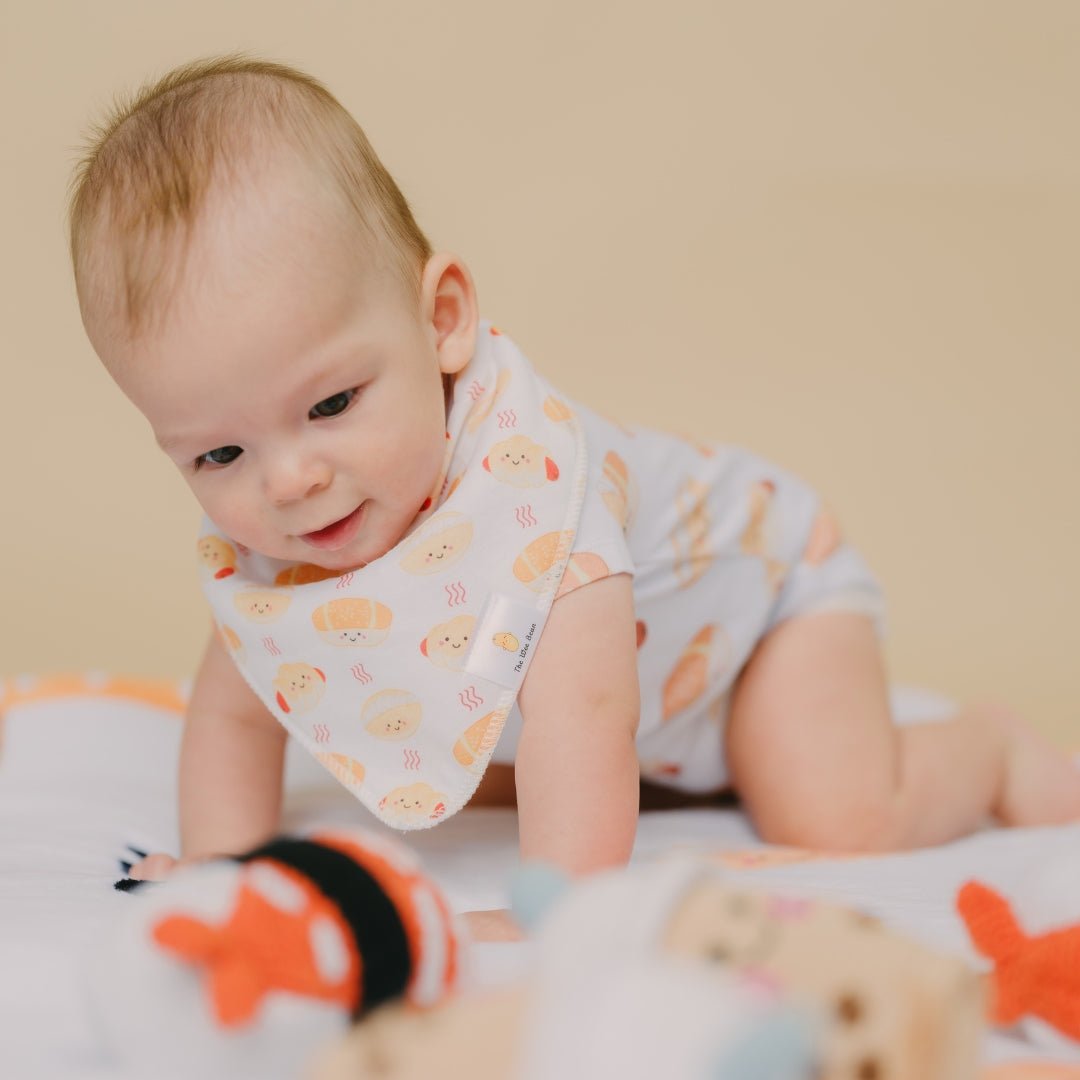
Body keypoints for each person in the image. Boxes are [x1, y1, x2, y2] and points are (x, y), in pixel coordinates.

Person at [69, 56, 1080, 941]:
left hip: (765, 615)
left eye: (331, 403)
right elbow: (239, 714)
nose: (289, 481)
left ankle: (986, 752)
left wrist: (552, 905)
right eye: (219, 454)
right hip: (653, 700)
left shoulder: (544, 507)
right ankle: (685, 771)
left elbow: (586, 715)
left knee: (833, 813)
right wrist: (223, 868)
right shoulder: (280, 538)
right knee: (475, 763)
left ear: (443, 321)